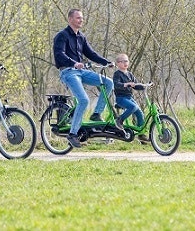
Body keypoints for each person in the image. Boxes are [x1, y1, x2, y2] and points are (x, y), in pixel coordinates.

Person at [53, 8, 114, 148]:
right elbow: (59, 55)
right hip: (68, 72)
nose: (81, 20)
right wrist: (74, 63)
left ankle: (96, 113)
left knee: (108, 83)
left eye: (82, 18)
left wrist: (106, 62)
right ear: (70, 19)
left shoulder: (81, 37)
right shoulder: (61, 36)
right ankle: (73, 134)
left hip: (81, 71)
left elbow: (91, 53)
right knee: (84, 100)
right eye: (78, 18)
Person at [113, 53, 150, 144]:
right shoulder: (117, 74)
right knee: (133, 107)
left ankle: (141, 135)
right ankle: (119, 120)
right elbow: (116, 85)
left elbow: (136, 85)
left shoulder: (130, 74)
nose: (125, 63)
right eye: (123, 61)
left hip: (129, 98)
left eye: (127, 61)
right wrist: (126, 84)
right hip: (121, 98)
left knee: (140, 114)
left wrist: (145, 86)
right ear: (118, 63)